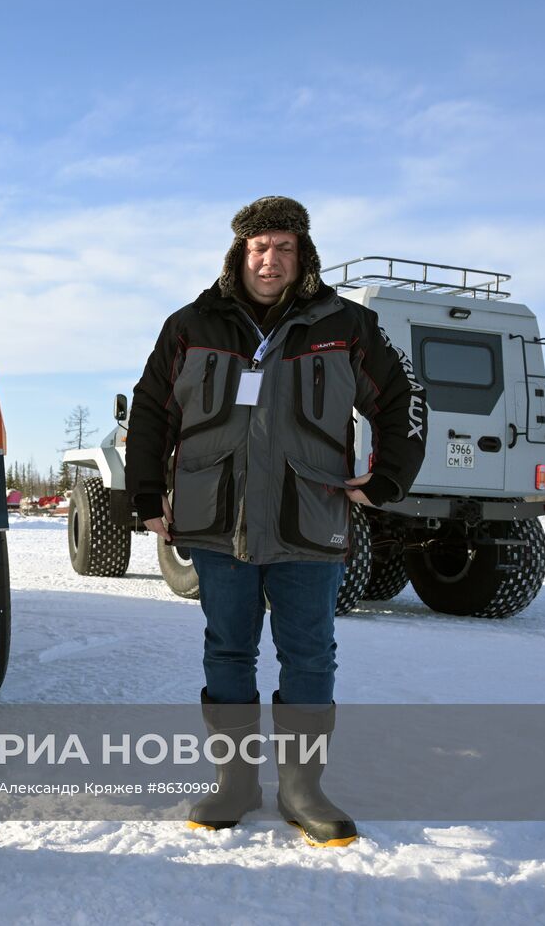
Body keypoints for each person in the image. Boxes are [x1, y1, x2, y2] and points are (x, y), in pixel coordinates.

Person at [125, 196, 426, 847]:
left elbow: (401, 400)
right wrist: (147, 495)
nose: (270, 259)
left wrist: (388, 477)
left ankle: (301, 787)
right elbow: (151, 410)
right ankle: (234, 781)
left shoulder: (345, 325)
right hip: (215, 523)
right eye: (259, 247)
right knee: (227, 649)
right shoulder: (190, 325)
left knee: (310, 653)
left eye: (283, 247)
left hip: (308, 521)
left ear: (303, 255)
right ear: (240, 253)